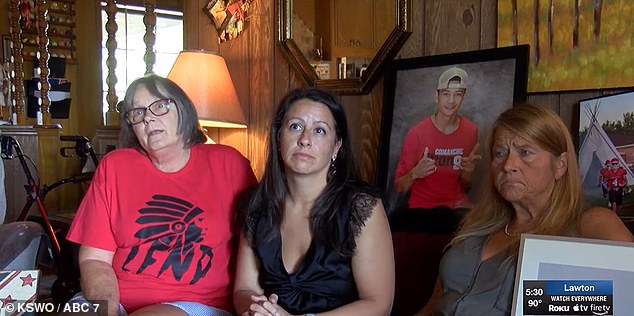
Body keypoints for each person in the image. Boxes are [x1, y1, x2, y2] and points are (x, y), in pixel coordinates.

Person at [416, 104, 634, 316]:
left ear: (560, 165)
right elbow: (432, 306)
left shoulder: (591, 223)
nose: (508, 164)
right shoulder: (473, 228)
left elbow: (625, 295)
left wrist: (548, 297)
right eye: (499, 153)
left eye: (525, 152)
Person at [66, 75, 257, 316]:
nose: (147, 118)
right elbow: (95, 260)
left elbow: (260, 242)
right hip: (116, 299)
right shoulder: (115, 166)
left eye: (159, 106)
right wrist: (108, 310)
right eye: (137, 112)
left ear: (183, 109)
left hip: (197, 303)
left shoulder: (229, 163)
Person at [233, 88, 394, 316]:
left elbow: (379, 304)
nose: (305, 140)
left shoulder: (361, 206)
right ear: (278, 138)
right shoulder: (256, 204)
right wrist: (260, 311)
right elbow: (244, 289)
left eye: (319, 130)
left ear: (336, 147)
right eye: (295, 127)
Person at [391, 67, 481, 234]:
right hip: (422, 209)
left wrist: (468, 173)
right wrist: (414, 174)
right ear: (436, 96)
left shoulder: (471, 131)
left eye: (457, 94)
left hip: (456, 208)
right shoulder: (416, 133)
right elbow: (399, 186)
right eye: (446, 94)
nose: (451, 100)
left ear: (464, 97)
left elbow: (466, 186)